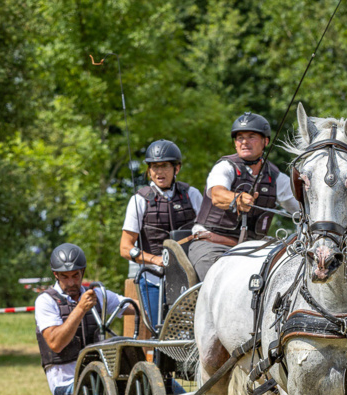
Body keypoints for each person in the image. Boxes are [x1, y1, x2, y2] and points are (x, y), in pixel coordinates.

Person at [189, 112, 301, 280]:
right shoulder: (225, 167)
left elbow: (301, 210)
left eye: (251, 137)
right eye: (240, 138)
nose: (244, 142)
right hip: (211, 244)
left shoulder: (277, 178)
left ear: (266, 141)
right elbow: (217, 194)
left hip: (254, 250)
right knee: (221, 280)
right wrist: (237, 199)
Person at [35, 243, 132, 395]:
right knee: (108, 390)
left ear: (83, 272)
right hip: (67, 384)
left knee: (152, 381)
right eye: (65, 276)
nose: (71, 282)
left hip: (100, 376)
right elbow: (55, 343)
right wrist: (80, 308)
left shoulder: (97, 295)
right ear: (55, 275)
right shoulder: (46, 301)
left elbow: (134, 306)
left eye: (75, 275)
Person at [120, 139, 203, 327]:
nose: (159, 172)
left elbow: (207, 232)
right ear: (149, 170)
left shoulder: (192, 194)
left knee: (194, 330)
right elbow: (125, 248)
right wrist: (154, 260)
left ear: (177, 168)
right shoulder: (139, 200)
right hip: (153, 279)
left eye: (164, 166)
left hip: (189, 278)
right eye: (154, 167)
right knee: (160, 332)